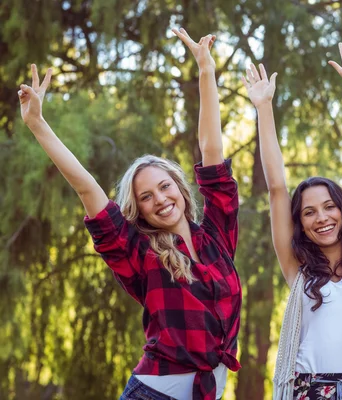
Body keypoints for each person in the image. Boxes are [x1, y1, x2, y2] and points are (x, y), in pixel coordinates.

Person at [18, 29, 240, 400]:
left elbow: (211, 148)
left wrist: (206, 70)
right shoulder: (139, 252)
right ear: (141, 210)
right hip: (155, 393)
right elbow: (87, 188)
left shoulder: (217, 236)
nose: (161, 199)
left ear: (180, 188)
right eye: (147, 197)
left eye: (165, 187)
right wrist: (38, 125)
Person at [241, 41, 342, 400]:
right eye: (309, 212)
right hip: (309, 390)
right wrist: (264, 108)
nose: (322, 218)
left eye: (329, 207)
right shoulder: (298, 268)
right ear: (301, 224)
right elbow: (277, 189)